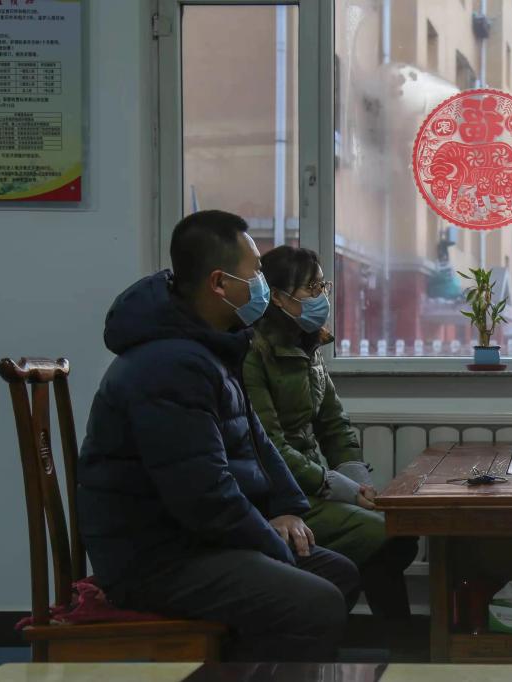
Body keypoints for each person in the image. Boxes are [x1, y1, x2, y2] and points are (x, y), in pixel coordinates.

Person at [77, 210, 360, 662]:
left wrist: (286, 508)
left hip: (197, 542)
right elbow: (203, 496)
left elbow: (258, 443)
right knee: (317, 601)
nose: (262, 285)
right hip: (157, 558)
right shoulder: (170, 366)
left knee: (338, 573)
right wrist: (271, 546)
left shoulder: (210, 348)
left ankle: (243, 664)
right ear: (219, 284)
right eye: (256, 272)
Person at [243, 245, 418, 620]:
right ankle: (385, 633)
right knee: (387, 537)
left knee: (398, 532)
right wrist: (336, 487)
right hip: (279, 495)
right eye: (311, 288)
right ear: (278, 297)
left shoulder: (308, 345)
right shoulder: (254, 352)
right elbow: (269, 446)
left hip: (311, 485)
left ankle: (390, 634)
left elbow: (334, 424)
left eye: (322, 286)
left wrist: (359, 483)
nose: (320, 296)